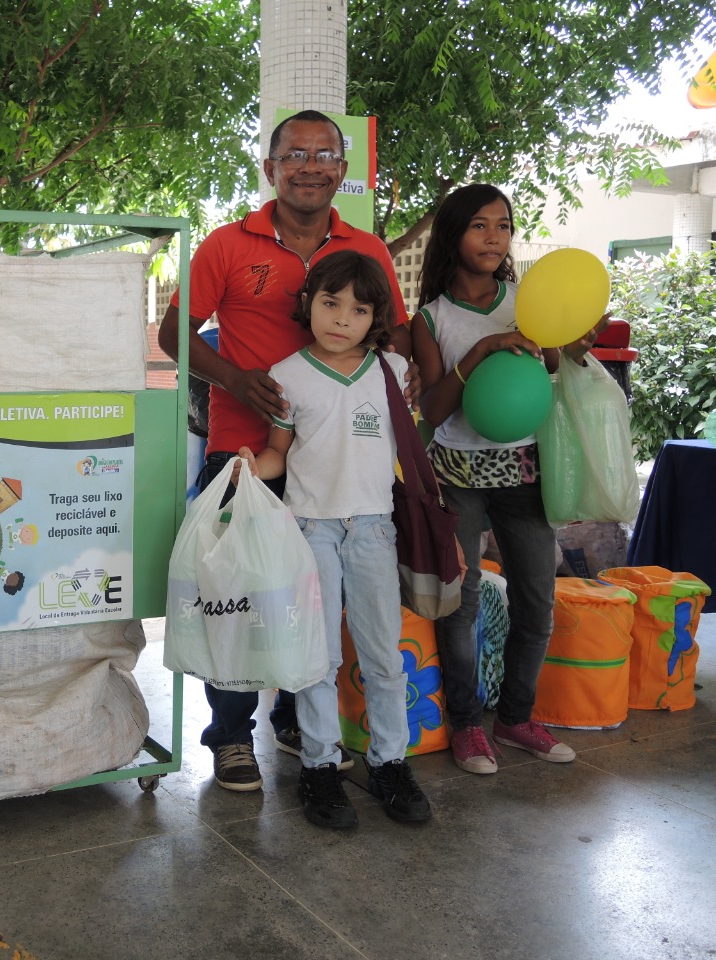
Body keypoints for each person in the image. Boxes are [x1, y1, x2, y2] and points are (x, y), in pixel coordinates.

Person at [158, 109, 410, 792]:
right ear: (270, 168)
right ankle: (232, 733)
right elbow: (174, 333)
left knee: (310, 602)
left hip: (332, 467)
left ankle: (300, 722)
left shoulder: (367, 249)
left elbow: (396, 339)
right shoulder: (227, 245)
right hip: (246, 453)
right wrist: (235, 379)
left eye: (325, 154)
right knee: (240, 596)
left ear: (342, 170)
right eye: (295, 154)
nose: (310, 166)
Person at [234, 251, 430, 828]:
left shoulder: (392, 374)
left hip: (374, 529)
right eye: (330, 303)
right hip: (310, 530)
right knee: (317, 659)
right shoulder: (288, 375)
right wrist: (252, 464)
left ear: (375, 319)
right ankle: (319, 769)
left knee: (383, 658)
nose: (342, 318)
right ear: (309, 304)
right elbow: (278, 452)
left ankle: (390, 763)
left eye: (359, 309)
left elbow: (412, 459)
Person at [411, 183, 596, 775]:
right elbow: (434, 411)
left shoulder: (527, 303)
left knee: (536, 601)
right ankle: (468, 727)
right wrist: (486, 347)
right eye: (479, 226)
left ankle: (516, 719)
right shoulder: (431, 318)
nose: (495, 237)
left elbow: (544, 372)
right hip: (456, 477)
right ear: (453, 235)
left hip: (524, 475)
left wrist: (571, 346)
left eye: (504, 226)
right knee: (459, 606)